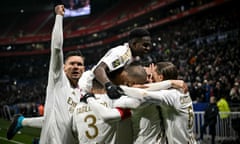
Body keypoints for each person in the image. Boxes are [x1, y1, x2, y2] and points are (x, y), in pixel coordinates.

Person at [6, 4, 85, 143]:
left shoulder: (80, 91)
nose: (76, 67)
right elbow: (56, 48)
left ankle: (22, 122)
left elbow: (65, 121)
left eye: (79, 64)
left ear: (83, 69)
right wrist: (59, 17)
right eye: (72, 63)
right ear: (63, 67)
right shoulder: (58, 79)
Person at [83, 62, 189, 143]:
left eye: (151, 76)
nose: (150, 80)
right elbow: (107, 115)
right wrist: (170, 82)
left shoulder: (158, 95)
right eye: (147, 77)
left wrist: (88, 97)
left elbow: (148, 89)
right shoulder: (136, 100)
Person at [120, 62, 197, 144]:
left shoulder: (169, 95)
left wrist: (133, 87)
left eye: (153, 76)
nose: (150, 80)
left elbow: (143, 94)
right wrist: (170, 82)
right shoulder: (180, 91)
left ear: (160, 77)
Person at [93, 27, 152, 99]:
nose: (148, 48)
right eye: (145, 45)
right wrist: (109, 86)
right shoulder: (122, 53)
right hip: (91, 88)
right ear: (134, 44)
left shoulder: (134, 57)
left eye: (149, 46)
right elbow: (98, 69)